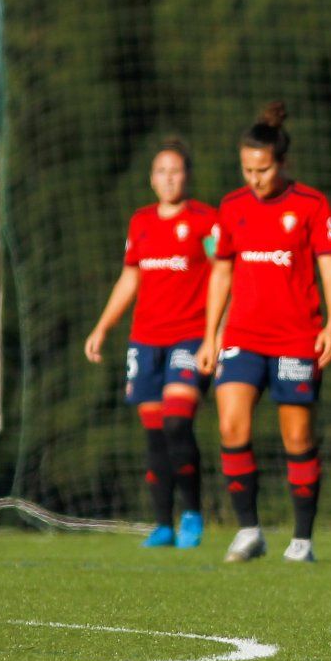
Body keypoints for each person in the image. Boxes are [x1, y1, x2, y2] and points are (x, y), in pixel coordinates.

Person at [196, 101, 331, 564]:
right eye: (246, 169)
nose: (253, 178)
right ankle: (248, 530)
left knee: (297, 438)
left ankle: (302, 539)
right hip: (242, 335)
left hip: (297, 338)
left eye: (261, 169)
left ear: (281, 163)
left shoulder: (311, 205)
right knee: (230, 425)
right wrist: (210, 334)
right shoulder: (232, 206)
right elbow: (221, 273)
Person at [84, 139, 218, 549]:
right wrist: (103, 327)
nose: (168, 178)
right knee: (155, 433)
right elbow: (130, 278)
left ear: (187, 176)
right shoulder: (140, 222)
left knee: (178, 422)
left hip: (190, 337)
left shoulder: (205, 222)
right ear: (151, 178)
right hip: (145, 340)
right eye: (161, 171)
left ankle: (192, 514)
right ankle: (162, 523)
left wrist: (218, 333)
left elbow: (224, 273)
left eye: (175, 171)